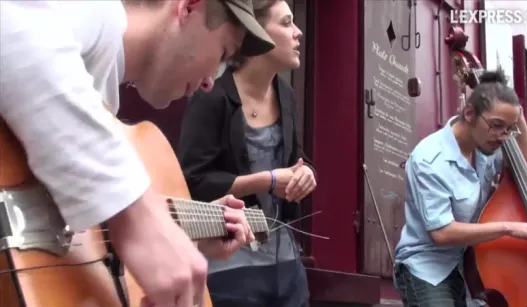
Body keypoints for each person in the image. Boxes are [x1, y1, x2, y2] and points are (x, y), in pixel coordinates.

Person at [0, 1, 277, 306]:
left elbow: (73, 223)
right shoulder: (94, 11)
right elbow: (11, 26)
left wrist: (176, 229)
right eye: (223, 55)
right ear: (189, 7)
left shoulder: (97, 93)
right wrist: (134, 212)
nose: (212, 81)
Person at [177, 1, 316, 306]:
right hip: (231, 265)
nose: (298, 32)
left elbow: (298, 160)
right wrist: (264, 180)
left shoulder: (286, 95)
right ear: (256, 33)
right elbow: (192, 181)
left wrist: (306, 174)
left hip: (288, 263)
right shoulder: (212, 95)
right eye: (287, 23)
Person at [393, 69, 527, 307]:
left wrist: (518, 116)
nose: (503, 136)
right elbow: (441, 233)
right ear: (470, 113)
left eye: (509, 129)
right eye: (496, 126)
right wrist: (509, 227)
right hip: (427, 267)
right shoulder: (430, 159)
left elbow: (521, 168)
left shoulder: (485, 146)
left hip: (466, 265)